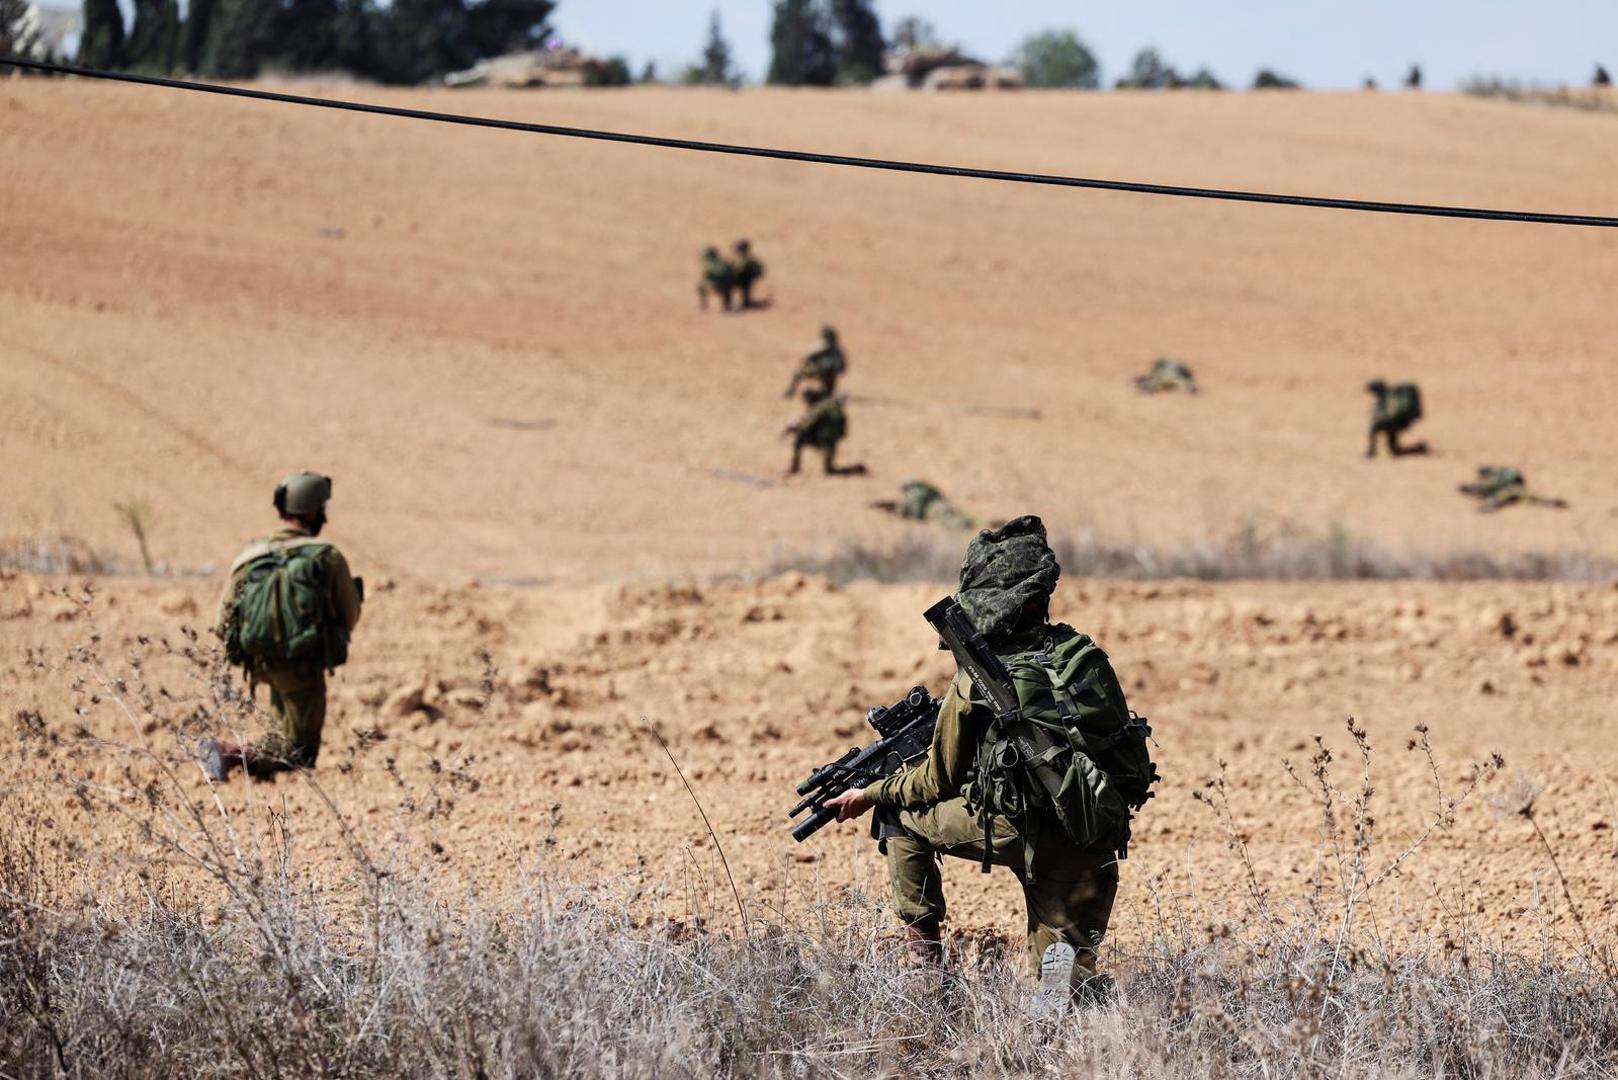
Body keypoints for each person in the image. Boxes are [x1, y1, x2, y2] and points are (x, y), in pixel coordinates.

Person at [824, 517, 1138, 1002]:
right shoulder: (1084, 656)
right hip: (1094, 838)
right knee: (1064, 987)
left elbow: (935, 780)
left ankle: (926, 976)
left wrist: (870, 793)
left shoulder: (977, 679)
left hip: (1019, 831)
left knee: (898, 815)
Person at [198, 472, 363, 781]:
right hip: (303, 664)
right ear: (314, 511)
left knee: (282, 732)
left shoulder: (252, 555)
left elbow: (222, 621)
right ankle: (228, 753)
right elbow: (350, 614)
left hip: (259, 663)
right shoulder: (325, 556)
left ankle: (260, 783)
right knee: (300, 751)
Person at [785, 387, 864, 476]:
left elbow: (809, 422)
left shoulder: (823, 407)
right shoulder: (841, 414)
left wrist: (794, 429)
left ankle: (795, 467)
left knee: (798, 441)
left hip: (819, 439)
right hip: (830, 444)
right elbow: (843, 433)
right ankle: (855, 469)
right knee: (829, 470)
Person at [1458, 466, 1568, 512]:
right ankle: (1551, 502)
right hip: (1507, 485)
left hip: (1507, 486)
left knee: (1515, 493)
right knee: (1521, 494)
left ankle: (1551, 502)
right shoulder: (1495, 479)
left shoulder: (1496, 480)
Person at [872, 480, 975, 529]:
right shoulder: (924, 488)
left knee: (946, 519)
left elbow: (918, 506)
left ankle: (963, 526)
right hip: (941, 504)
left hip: (935, 508)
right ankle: (967, 522)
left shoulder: (916, 492)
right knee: (952, 514)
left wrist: (917, 517)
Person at [1365, 379, 1428, 457]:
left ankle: (1371, 452)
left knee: (1374, 426)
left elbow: (1389, 413)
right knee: (1395, 451)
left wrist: (1379, 418)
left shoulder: (1388, 397)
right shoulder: (1389, 395)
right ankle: (1418, 448)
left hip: (1395, 422)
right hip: (1395, 422)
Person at [785, 325, 847, 398]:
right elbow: (806, 359)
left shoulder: (832, 350)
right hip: (820, 371)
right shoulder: (832, 350)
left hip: (827, 374)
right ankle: (791, 391)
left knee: (827, 393)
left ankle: (791, 391)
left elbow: (842, 367)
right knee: (799, 373)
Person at [698, 246, 736, 311]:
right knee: (727, 285)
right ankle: (727, 304)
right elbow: (732, 272)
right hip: (727, 286)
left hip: (715, 286)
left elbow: (706, 276)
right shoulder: (724, 263)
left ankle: (703, 304)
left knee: (701, 286)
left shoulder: (709, 265)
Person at [732, 239, 765, 308]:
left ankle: (744, 303)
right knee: (745, 290)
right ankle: (746, 302)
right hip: (746, 279)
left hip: (744, 279)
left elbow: (739, 269)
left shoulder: (745, 259)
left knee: (744, 289)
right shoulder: (748, 258)